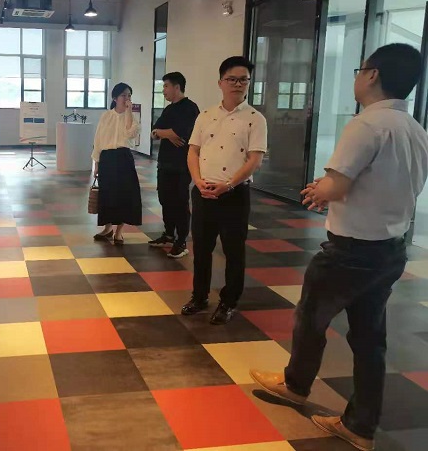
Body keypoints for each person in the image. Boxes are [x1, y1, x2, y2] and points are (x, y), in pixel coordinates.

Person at [251, 43, 428, 451]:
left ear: (372, 75)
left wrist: (320, 189)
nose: (356, 78)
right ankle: (360, 426)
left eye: (359, 70)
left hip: (350, 251)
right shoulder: (414, 129)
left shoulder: (366, 124)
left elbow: (338, 184)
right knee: (370, 340)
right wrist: (332, 187)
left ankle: (295, 386)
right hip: (390, 249)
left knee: (310, 318)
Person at [181, 56, 267, 324]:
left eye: (243, 80)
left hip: (234, 194)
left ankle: (229, 301)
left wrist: (228, 185)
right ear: (220, 82)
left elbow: (255, 159)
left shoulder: (255, 119)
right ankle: (199, 296)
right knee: (201, 249)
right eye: (232, 79)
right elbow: (193, 151)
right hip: (204, 191)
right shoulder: (206, 115)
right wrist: (197, 180)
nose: (238, 84)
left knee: (233, 251)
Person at [149, 72, 200, 258]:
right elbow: (153, 132)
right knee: (165, 199)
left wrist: (164, 133)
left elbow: (182, 132)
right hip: (165, 163)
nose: (163, 90)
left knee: (180, 202)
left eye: (166, 86)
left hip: (182, 164)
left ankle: (182, 241)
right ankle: (169, 234)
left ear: (177, 87)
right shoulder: (169, 109)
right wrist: (166, 133)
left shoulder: (190, 108)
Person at [92, 83, 142, 245]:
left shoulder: (132, 117)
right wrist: (96, 163)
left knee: (124, 194)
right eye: (123, 95)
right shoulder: (106, 116)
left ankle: (119, 231)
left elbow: (130, 134)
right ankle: (107, 228)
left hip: (123, 157)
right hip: (107, 158)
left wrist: (129, 112)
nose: (127, 98)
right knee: (107, 193)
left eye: (129, 95)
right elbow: (98, 140)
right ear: (115, 98)